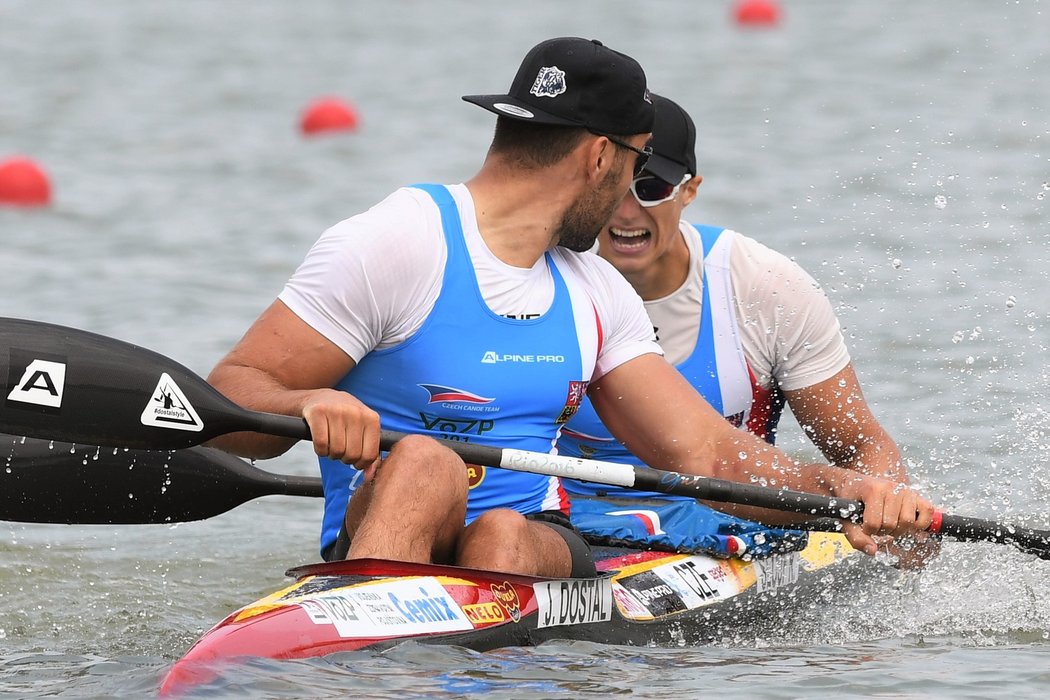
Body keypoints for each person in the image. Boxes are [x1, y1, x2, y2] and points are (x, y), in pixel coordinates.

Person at [206, 37, 936, 580]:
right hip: (390, 526)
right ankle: (364, 653)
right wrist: (309, 404)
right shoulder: (399, 242)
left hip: (530, 551)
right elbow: (235, 397)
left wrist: (846, 490)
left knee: (503, 534)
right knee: (426, 462)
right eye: (632, 166)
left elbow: (707, 454)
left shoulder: (593, 290)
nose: (627, 194)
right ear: (597, 158)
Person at [559, 94, 937, 566]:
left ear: (690, 190)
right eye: (614, 189)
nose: (627, 213)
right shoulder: (543, 275)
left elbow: (860, 445)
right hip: (575, 525)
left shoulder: (763, 286)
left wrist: (890, 514)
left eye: (651, 188)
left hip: (721, 529)